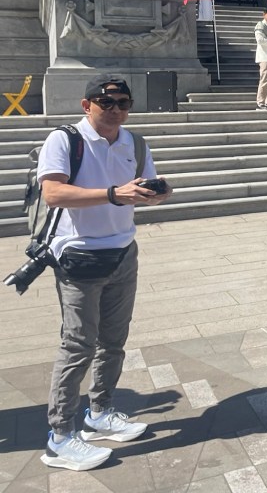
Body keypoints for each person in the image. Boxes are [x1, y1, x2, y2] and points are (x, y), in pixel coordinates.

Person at [36, 75, 172, 472]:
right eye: (105, 102)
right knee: (78, 344)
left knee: (114, 341)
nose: (115, 110)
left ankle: (100, 412)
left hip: (123, 251)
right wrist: (114, 194)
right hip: (79, 255)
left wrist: (157, 193)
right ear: (86, 105)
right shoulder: (65, 140)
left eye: (123, 103)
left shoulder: (135, 143)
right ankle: (60, 436)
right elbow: (53, 193)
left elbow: (143, 190)